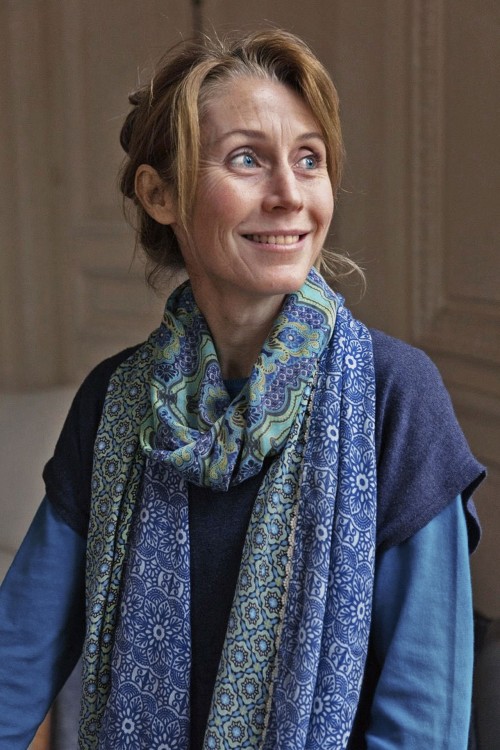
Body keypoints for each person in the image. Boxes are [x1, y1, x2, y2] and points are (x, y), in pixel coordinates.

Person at [0, 29, 485, 750]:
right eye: (247, 159)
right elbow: (15, 658)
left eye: (309, 159)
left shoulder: (393, 395)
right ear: (160, 194)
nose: (290, 194)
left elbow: (425, 719)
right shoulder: (115, 404)